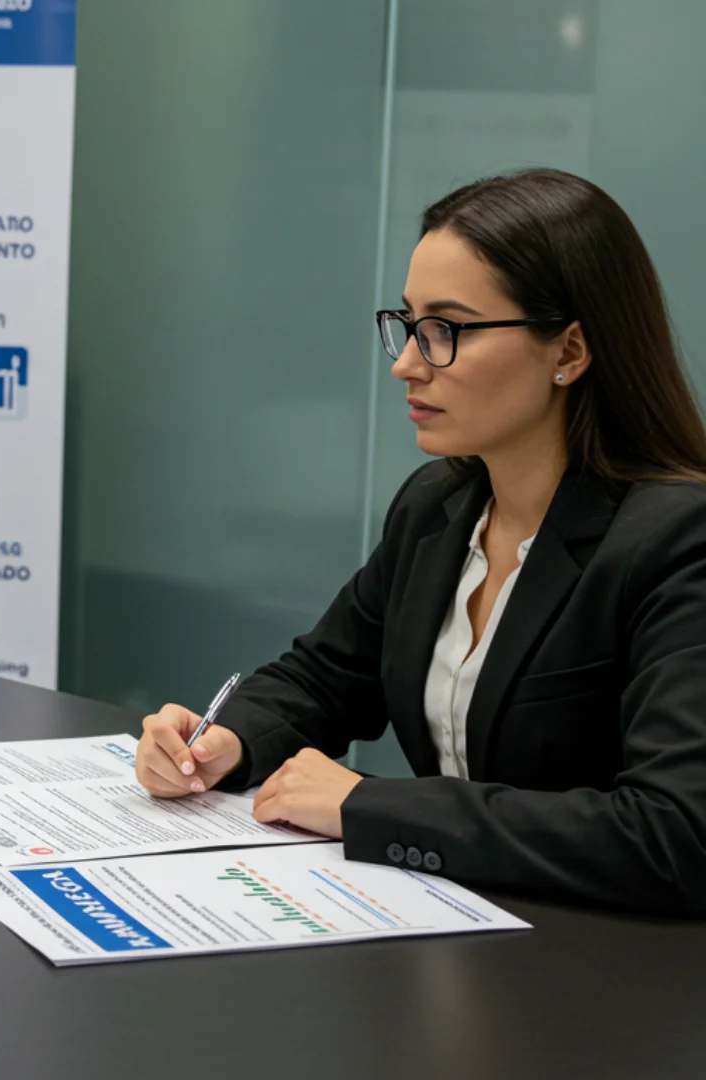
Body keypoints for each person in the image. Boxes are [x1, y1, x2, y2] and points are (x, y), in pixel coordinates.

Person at [137, 168, 706, 915]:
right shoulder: (438, 507)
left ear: (569, 351)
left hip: (604, 964)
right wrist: (223, 741)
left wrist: (372, 806)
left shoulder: (678, 540)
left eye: (446, 331)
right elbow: (327, 678)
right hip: (453, 931)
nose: (406, 362)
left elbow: (676, 834)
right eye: (408, 324)